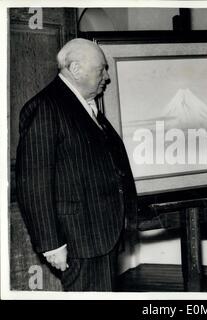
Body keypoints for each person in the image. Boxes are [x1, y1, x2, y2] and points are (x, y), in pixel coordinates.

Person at [16, 38, 137, 291]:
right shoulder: (46, 107)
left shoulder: (84, 106)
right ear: (76, 69)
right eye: (101, 68)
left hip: (100, 234)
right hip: (78, 239)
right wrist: (51, 244)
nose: (106, 76)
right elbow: (33, 184)